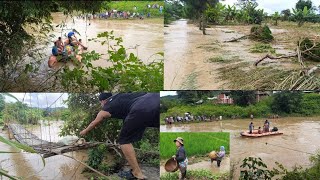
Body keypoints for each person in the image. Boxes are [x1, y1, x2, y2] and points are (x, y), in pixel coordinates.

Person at [80, 93, 159, 179]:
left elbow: (94, 122)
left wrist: (85, 131)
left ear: (103, 101)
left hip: (141, 107)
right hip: (156, 98)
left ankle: (137, 173)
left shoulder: (107, 106)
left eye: (100, 103)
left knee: (124, 141)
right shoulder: (121, 96)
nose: (101, 105)